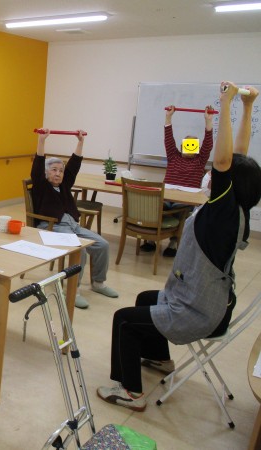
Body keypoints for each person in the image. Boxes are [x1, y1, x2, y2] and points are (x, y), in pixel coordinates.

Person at [97, 82, 261, 412]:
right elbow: (237, 158)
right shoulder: (239, 208)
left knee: (124, 319)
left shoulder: (222, 212)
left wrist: (225, 102)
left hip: (197, 312)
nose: (211, 174)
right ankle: (159, 358)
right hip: (214, 304)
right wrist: (247, 107)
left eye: (216, 172)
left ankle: (130, 392)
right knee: (146, 298)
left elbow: (225, 160)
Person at [31, 129, 118, 309]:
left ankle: (98, 283)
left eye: (60, 171)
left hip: (72, 226)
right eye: (54, 170)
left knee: (102, 244)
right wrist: (41, 141)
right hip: (52, 227)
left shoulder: (64, 184)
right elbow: (38, 164)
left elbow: (74, 165)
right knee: (81, 251)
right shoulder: (41, 185)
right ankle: (72, 290)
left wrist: (80, 141)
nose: (58, 174)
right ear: (46, 173)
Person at [141, 104, 214, 256]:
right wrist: (168, 117)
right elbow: (168, 139)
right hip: (166, 197)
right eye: (187, 145)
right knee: (155, 205)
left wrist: (208, 120)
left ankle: (173, 243)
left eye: (193, 146)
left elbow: (208, 143)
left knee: (180, 210)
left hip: (184, 201)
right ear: (181, 146)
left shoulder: (200, 160)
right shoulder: (173, 156)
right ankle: (151, 240)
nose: (190, 147)